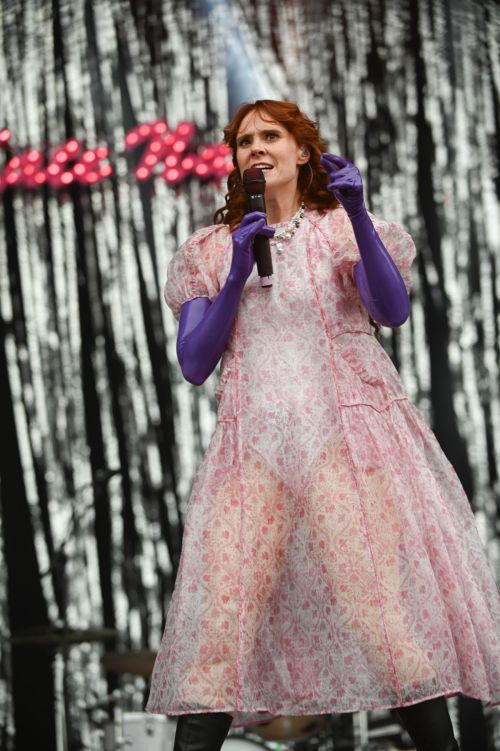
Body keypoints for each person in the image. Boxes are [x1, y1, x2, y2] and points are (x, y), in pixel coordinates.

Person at [146, 100, 500, 751]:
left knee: (385, 626)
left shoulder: (340, 229)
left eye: (270, 135)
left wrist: (360, 213)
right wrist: (237, 274)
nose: (256, 147)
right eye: (244, 139)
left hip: (346, 448)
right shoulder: (210, 248)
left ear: (303, 151)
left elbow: (389, 309)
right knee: (217, 640)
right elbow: (195, 362)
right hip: (254, 457)